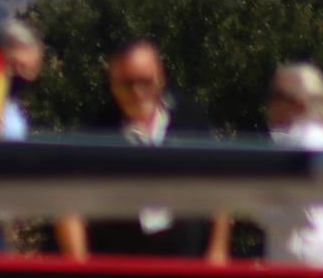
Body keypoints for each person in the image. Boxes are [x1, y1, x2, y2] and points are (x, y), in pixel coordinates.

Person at [55, 39, 231, 262]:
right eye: (127, 84)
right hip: (120, 261)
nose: (137, 92)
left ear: (160, 77)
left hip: (186, 259)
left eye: (145, 82)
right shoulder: (95, 132)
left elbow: (219, 186)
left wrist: (217, 251)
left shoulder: (190, 119)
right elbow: (70, 207)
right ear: (112, 83)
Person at [261, 63, 323, 267]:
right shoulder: (310, 139)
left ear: (296, 102)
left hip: (310, 260)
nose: (269, 104)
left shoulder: (307, 141)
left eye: (274, 95)